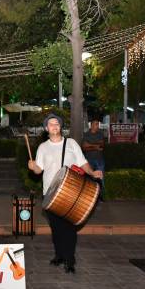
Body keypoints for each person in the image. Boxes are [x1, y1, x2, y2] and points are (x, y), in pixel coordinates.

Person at [27, 113, 103, 274]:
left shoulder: (71, 143)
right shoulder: (43, 147)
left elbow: (82, 162)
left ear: (60, 127)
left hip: (70, 191)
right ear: (46, 128)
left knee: (69, 227)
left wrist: (92, 173)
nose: (54, 126)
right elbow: (39, 169)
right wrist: (32, 167)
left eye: (57, 124)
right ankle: (59, 255)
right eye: (51, 124)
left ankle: (70, 260)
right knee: (56, 228)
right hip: (50, 193)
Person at [82, 118, 106, 201]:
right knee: (89, 178)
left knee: (100, 178)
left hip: (99, 159)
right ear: (91, 125)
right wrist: (96, 146)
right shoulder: (86, 134)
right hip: (89, 159)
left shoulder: (100, 134)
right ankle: (89, 196)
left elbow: (102, 145)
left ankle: (101, 195)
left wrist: (90, 145)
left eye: (98, 124)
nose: (97, 126)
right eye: (96, 124)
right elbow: (84, 147)